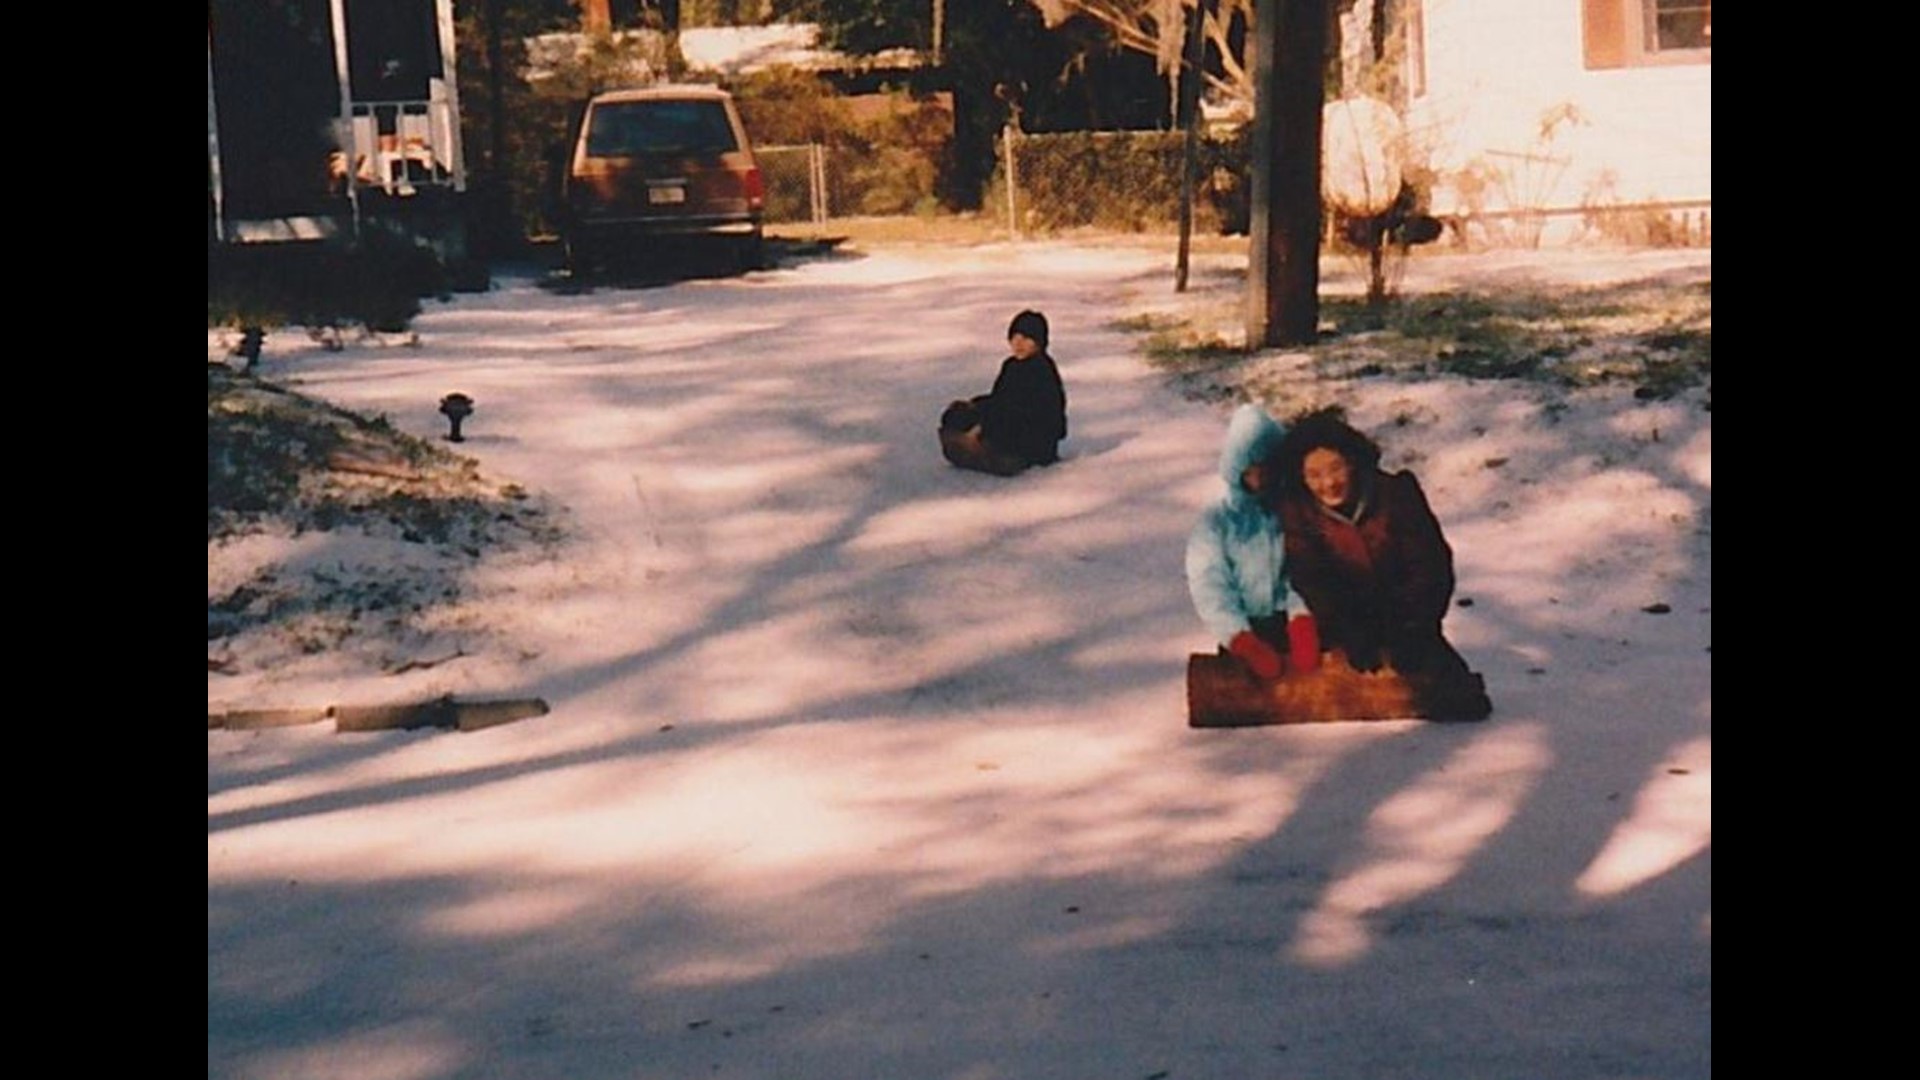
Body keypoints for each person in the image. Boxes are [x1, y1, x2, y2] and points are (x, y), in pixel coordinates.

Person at [1273, 408, 1477, 684]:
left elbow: (1430, 566)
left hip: (1408, 620)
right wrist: (1348, 629)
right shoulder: (1297, 511)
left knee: (1457, 696)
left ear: (1353, 463)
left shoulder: (1396, 494)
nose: (1329, 483)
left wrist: (1413, 626)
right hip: (1346, 627)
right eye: (1314, 475)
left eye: (1336, 468)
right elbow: (1311, 578)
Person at [1186, 403, 1321, 680]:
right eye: (1250, 470)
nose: (1260, 478)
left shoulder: (1292, 512)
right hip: (1245, 631)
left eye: (1267, 468)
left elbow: (1306, 569)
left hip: (1289, 624)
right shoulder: (1217, 522)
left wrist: (1302, 617)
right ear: (1236, 469)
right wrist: (1238, 637)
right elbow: (1210, 585)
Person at [940, 309, 1068, 476]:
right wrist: (973, 405)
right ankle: (970, 446)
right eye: (1014, 338)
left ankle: (996, 454)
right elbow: (999, 398)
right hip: (1007, 419)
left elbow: (1031, 411)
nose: (1018, 344)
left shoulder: (1042, 370)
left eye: (1026, 339)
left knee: (1003, 422)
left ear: (1039, 342)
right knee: (956, 415)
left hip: (1033, 436)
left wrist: (986, 424)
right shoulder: (1011, 365)